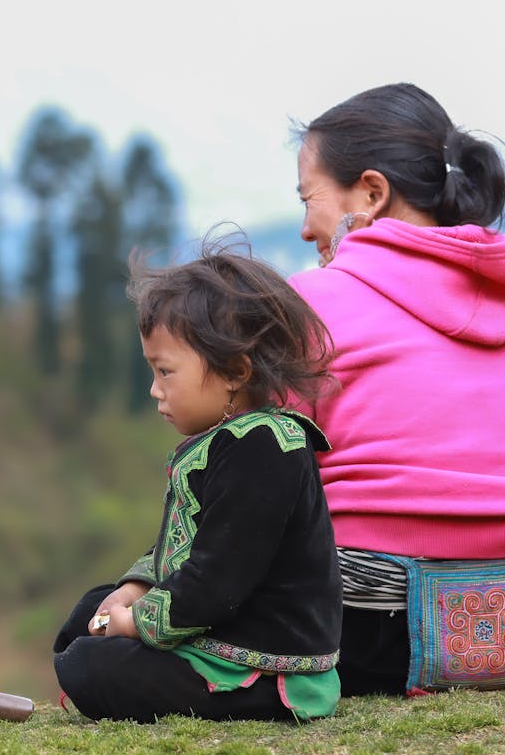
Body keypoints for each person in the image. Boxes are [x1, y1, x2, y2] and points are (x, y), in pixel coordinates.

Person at [288, 83, 505, 697]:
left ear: (371, 192)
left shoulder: (312, 302)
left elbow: (267, 462)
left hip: (365, 623)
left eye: (308, 199)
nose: (304, 228)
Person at [52, 241, 343, 723]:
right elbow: (188, 545)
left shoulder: (266, 447)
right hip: (213, 627)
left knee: (90, 664)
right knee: (89, 611)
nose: (155, 390)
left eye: (165, 372)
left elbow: (218, 577)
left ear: (234, 371)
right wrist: (134, 588)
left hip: (263, 664)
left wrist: (137, 622)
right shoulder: (226, 441)